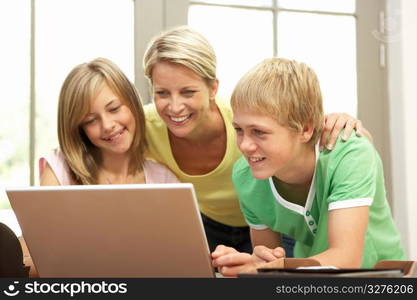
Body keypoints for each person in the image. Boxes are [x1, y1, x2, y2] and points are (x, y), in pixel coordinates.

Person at [142, 26, 371, 254]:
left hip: (273, 221)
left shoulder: (245, 121)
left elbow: (312, 131)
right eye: (162, 93)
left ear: (213, 88)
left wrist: (347, 125)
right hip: (209, 225)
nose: (174, 107)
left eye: (188, 92)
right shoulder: (147, 126)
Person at [211, 58, 406, 276]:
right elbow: (270, 260)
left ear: (305, 129)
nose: (245, 146)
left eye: (259, 132)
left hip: (380, 278)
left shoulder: (349, 155)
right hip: (311, 280)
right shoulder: (245, 176)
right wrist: (247, 264)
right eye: (239, 129)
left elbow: (346, 258)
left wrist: (269, 268)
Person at [39, 57, 178, 186]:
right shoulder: (60, 170)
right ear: (79, 128)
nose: (107, 126)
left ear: (133, 103)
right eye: (91, 120)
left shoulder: (164, 180)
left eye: (114, 109)